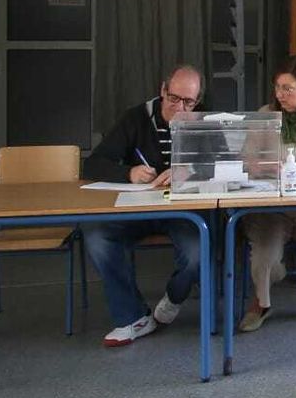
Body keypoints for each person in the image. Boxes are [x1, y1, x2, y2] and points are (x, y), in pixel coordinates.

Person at [81, 64, 206, 347]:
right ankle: (132, 316)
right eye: (174, 98)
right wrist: (129, 173)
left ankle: (175, 297)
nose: (180, 107)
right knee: (97, 235)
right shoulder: (136, 119)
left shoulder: (202, 120)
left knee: (198, 250)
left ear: (197, 101)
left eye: (188, 101)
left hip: (181, 212)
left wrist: (190, 172)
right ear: (163, 90)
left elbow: (225, 165)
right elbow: (93, 164)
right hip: (136, 207)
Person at [237, 56, 296, 332]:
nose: (280, 95)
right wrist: (260, 166)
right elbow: (244, 161)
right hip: (273, 210)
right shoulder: (266, 115)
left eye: (288, 88)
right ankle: (261, 302)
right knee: (264, 259)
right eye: (277, 87)